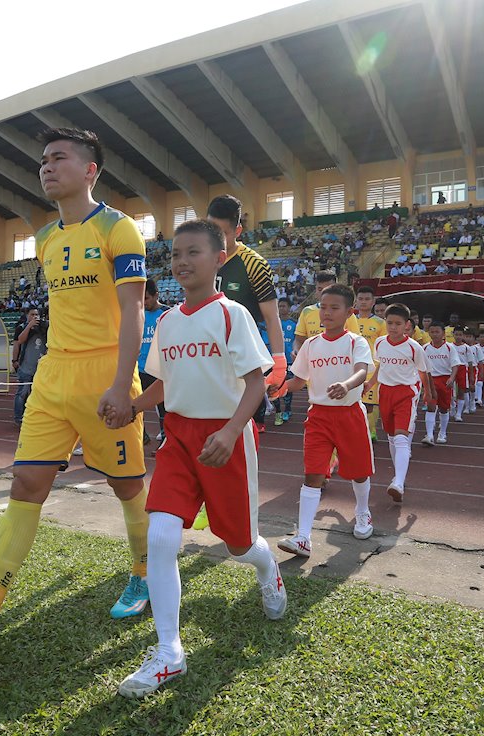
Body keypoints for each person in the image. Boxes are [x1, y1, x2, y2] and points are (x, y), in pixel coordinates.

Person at [0, 127, 151, 650]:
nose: (46, 166)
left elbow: (134, 311)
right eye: (43, 159)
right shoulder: (44, 240)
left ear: (91, 169)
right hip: (51, 376)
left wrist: (120, 384)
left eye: (59, 158)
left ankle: (144, 572)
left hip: (104, 376)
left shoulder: (120, 229)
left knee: (126, 486)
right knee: (25, 485)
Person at [114, 219, 283, 698]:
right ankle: (169, 652)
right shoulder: (166, 321)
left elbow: (256, 383)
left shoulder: (232, 315)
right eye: (175, 255)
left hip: (226, 438)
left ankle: (268, 570)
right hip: (180, 439)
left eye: (194, 252)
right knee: (163, 534)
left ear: (220, 259)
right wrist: (131, 406)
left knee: (239, 544)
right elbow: (164, 385)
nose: (182, 262)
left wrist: (231, 432)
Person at [277, 284, 375, 556]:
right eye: (323, 306)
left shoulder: (356, 342)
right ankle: (303, 537)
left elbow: (361, 372)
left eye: (334, 308)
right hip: (318, 416)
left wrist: (346, 385)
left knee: (359, 471)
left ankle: (363, 512)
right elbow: (298, 380)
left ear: (349, 312)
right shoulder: (311, 344)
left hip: (349, 414)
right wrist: (279, 388)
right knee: (312, 474)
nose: (327, 312)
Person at [208, 195, 288, 434]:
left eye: (223, 232)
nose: (217, 238)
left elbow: (272, 317)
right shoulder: (201, 257)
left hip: (238, 362)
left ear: (238, 230)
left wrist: (279, 362)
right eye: (212, 229)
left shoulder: (254, 265)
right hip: (205, 355)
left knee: (237, 432)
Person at [365, 303, 433, 502]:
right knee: (392, 438)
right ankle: (398, 476)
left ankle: (399, 483)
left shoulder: (414, 347)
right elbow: (381, 366)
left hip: (406, 393)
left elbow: (423, 372)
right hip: (385, 392)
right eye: (389, 323)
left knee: (402, 438)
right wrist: (369, 384)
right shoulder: (379, 343)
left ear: (407, 325)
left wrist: (428, 393)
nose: (393, 327)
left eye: (398, 323)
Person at [346, 286, 387, 441]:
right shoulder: (350, 319)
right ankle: (357, 430)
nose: (363, 302)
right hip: (352, 366)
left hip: (371, 367)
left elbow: (384, 345)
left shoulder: (380, 323)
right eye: (360, 299)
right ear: (356, 301)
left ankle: (371, 431)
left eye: (367, 299)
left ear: (373, 301)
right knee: (354, 402)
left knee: (369, 403)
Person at [139, 279, 169, 444]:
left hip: (159, 370)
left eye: (147, 298)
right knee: (134, 405)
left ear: (156, 295)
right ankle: (141, 436)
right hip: (140, 369)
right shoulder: (139, 315)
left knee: (163, 409)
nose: (144, 302)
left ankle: (166, 441)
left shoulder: (167, 314)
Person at [422, 323, 462, 446]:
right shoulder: (425, 348)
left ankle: (442, 433)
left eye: (437, 332)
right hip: (430, 380)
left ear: (443, 333)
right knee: (430, 406)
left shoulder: (450, 348)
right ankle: (429, 435)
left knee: (444, 408)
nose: (434, 334)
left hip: (445, 380)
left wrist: (451, 378)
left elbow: (455, 364)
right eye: (432, 332)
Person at [12, 307, 48, 426]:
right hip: (26, 367)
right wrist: (14, 360)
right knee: (22, 393)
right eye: (32, 314)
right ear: (27, 315)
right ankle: (18, 418)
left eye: (36, 314)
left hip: (41, 368)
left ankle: (34, 417)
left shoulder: (43, 328)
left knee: (38, 394)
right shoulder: (22, 328)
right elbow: (19, 341)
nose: (35, 317)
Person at [293, 271, 337, 356]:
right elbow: (299, 340)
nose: (323, 293)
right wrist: (296, 350)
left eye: (328, 289)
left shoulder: (346, 313)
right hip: (313, 365)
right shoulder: (307, 311)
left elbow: (355, 342)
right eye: (320, 289)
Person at [273, 298, 297, 425]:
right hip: (275, 360)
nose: (281, 308)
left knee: (287, 385)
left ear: (289, 308)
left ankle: (287, 409)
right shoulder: (272, 323)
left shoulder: (294, 323)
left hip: (288, 360)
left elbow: (296, 341)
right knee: (274, 385)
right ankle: (278, 410)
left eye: (283, 306)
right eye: (279, 306)